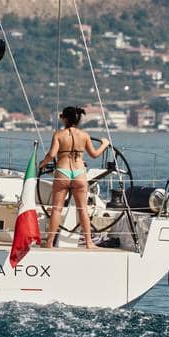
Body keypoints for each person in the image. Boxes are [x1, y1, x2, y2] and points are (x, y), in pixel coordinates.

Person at [41, 105, 110, 250]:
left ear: (64, 118)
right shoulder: (84, 135)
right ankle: (89, 243)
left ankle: (49, 242)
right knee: (82, 209)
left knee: (57, 209)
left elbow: (51, 155)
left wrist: (41, 164)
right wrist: (104, 144)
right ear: (78, 119)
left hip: (63, 172)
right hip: (79, 173)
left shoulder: (58, 134)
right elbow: (94, 154)